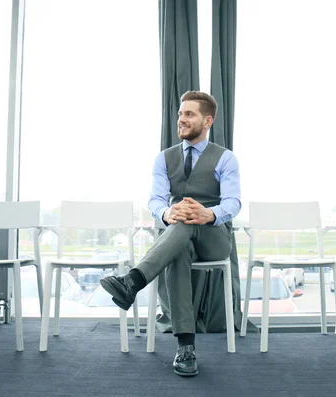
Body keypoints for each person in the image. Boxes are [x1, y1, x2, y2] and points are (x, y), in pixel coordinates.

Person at [100, 90, 241, 377]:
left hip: (214, 238)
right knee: (178, 235)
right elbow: (155, 200)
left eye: (189, 114)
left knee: (186, 216)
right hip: (178, 238)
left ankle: (133, 280)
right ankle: (186, 348)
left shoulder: (226, 159)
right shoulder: (163, 159)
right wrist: (166, 212)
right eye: (180, 114)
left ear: (208, 120)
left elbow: (233, 202)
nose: (182, 119)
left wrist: (209, 213)